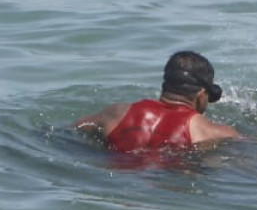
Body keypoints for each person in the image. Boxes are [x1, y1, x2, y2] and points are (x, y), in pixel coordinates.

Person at [76, 50, 241, 152]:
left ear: (166, 84)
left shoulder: (116, 113)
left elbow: (70, 131)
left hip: (118, 178)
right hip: (169, 186)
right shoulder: (211, 132)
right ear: (202, 94)